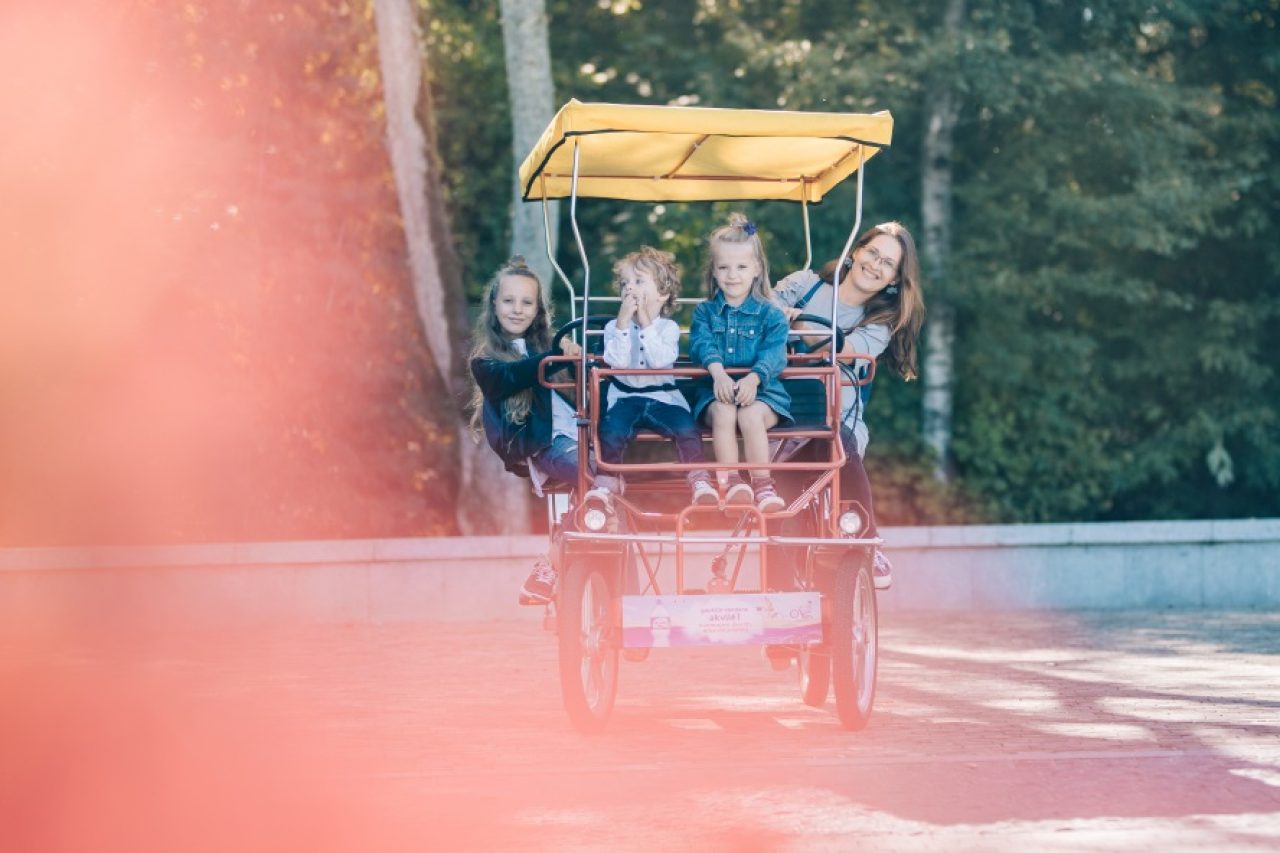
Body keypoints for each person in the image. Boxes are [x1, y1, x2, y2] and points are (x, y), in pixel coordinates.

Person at [772, 221, 925, 589]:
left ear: (894, 279)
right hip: (782, 415)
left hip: (835, 418)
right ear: (856, 251)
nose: (875, 265)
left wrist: (797, 325)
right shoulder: (805, 285)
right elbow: (758, 309)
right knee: (779, 507)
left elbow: (840, 350)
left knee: (837, 439)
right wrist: (776, 314)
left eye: (887, 264)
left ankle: (867, 540)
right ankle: (781, 587)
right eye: (873, 253)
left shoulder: (880, 322)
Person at [467, 256, 582, 605]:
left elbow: (584, 392)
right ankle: (550, 564)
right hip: (543, 445)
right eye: (509, 301)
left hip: (578, 435)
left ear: (538, 310)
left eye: (527, 302)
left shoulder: (546, 350)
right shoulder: (486, 363)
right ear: (494, 305)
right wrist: (556, 354)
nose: (517, 310)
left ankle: (619, 595)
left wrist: (575, 359)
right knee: (592, 475)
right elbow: (511, 378)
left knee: (612, 486)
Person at [584, 246, 717, 512]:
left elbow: (659, 360)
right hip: (625, 398)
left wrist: (645, 321)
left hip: (663, 397)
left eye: (638, 281)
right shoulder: (613, 327)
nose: (629, 288)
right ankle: (607, 482)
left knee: (686, 428)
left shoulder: (668, 328)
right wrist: (623, 324)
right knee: (611, 430)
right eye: (625, 283)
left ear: (662, 294)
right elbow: (618, 362)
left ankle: (699, 479)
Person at [689, 213, 793, 513]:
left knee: (749, 415)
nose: (732, 275)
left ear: (757, 269)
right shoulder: (705, 313)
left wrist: (753, 379)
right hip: (715, 389)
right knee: (724, 410)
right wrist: (719, 374)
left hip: (764, 392)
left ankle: (763, 485)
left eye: (741, 267)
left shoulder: (771, 314)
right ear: (714, 271)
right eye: (724, 267)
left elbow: (774, 353)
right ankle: (732, 483)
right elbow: (702, 344)